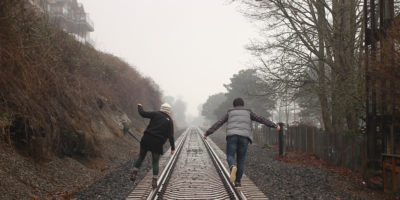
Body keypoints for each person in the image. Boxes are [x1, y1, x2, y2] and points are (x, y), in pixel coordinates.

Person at [204, 97, 280, 188]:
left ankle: (232, 166)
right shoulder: (248, 112)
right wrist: (274, 125)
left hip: (232, 136)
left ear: (234, 105)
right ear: (243, 105)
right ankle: (238, 183)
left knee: (230, 156)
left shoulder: (230, 112)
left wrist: (207, 133)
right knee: (241, 160)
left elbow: (219, 123)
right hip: (244, 137)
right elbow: (261, 119)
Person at [130, 103, 175, 189]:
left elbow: (143, 114)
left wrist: (139, 106)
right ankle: (154, 181)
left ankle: (134, 173)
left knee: (141, 157)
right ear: (169, 111)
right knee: (155, 162)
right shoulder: (169, 120)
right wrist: (172, 148)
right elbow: (171, 136)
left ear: (161, 108)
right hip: (157, 143)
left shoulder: (155, 114)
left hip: (146, 139)